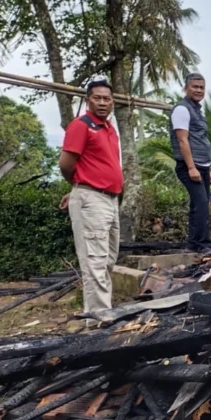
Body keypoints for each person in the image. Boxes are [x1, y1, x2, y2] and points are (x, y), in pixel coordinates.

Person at [59, 80, 123, 315]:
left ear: (112, 102)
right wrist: (80, 188)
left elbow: (98, 164)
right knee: (95, 262)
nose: (103, 102)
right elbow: (66, 164)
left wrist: (78, 188)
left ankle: (99, 312)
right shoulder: (81, 125)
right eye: (98, 98)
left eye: (107, 99)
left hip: (110, 200)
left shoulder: (109, 129)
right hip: (92, 199)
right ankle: (99, 321)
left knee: (108, 259)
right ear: (88, 100)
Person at [171, 72, 211, 256]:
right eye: (195, 87)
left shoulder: (197, 110)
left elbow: (201, 140)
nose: (199, 90)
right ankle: (204, 244)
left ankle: (192, 244)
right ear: (186, 88)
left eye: (201, 87)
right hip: (189, 165)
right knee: (201, 204)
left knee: (198, 204)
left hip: (203, 165)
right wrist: (191, 167)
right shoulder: (182, 109)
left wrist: (209, 169)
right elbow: (183, 140)